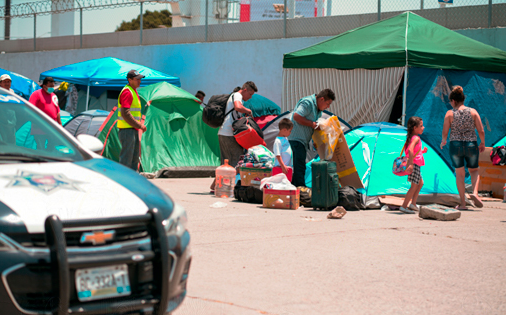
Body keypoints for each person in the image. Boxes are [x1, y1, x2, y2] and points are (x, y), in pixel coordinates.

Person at [441, 85, 485, 210]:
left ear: (453, 101)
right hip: (471, 144)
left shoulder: (449, 114)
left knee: (459, 174)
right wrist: (482, 142)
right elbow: (481, 130)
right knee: (474, 170)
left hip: (455, 145)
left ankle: (463, 204)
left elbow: (445, 132)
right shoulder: (473, 112)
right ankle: (475, 193)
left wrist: (443, 141)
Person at [210, 81, 257, 192]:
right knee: (237, 160)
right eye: (250, 94)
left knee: (225, 162)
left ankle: (215, 186)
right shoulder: (237, 95)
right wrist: (248, 111)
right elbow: (237, 107)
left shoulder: (234, 96)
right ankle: (232, 187)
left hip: (223, 132)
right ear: (245, 90)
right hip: (229, 134)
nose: (250, 97)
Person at [288, 88, 335, 187]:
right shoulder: (308, 103)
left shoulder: (318, 111)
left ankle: (297, 190)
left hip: (303, 141)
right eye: (327, 104)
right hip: (296, 139)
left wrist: (315, 140)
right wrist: (312, 124)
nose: (328, 107)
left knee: (300, 167)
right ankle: (300, 191)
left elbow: (313, 126)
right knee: (299, 167)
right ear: (321, 99)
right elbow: (296, 116)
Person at [117, 70, 147, 171]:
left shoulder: (133, 91)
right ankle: (124, 182)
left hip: (131, 129)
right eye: (137, 79)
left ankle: (133, 181)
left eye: (140, 79)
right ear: (129, 80)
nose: (139, 81)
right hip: (127, 130)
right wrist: (139, 125)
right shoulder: (127, 92)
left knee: (134, 159)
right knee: (127, 160)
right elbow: (125, 113)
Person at [400, 117, 428, 214]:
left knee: (420, 183)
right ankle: (404, 206)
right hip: (415, 165)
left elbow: (413, 151)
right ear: (415, 128)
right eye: (421, 126)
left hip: (415, 164)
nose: (423, 127)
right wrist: (411, 164)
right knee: (414, 186)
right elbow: (410, 150)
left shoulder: (411, 137)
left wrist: (422, 151)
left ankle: (413, 204)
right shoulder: (416, 138)